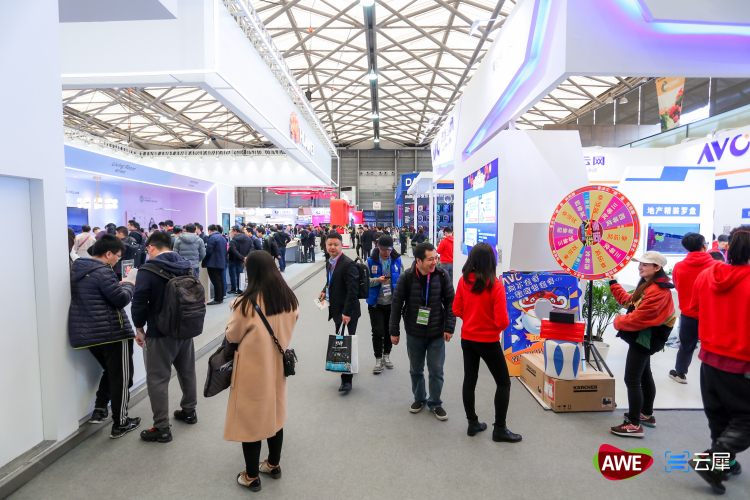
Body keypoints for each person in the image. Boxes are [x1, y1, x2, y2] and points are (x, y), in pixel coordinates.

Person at [224, 251, 299, 491]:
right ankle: (273, 464)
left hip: (252, 370)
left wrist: (233, 310)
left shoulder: (246, 303)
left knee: (251, 421)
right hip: (278, 366)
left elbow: (232, 335)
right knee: (275, 415)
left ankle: (251, 476)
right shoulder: (289, 298)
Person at [688, 227, 750, 494]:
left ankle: (726, 462)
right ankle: (713, 462)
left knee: (720, 416)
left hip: (709, 359)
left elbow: (693, 310)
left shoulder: (707, 275)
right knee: (746, 419)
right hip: (742, 362)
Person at [68, 235, 141, 438]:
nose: (117, 260)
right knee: (123, 379)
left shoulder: (79, 269)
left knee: (111, 372)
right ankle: (121, 423)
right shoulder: (103, 272)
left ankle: (100, 409)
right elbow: (120, 299)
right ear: (108, 253)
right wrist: (129, 284)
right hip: (113, 333)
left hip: (88, 333)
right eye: (117, 255)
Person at [131, 231, 198, 443]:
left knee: (158, 378)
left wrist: (139, 328)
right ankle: (189, 411)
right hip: (186, 327)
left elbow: (139, 301)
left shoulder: (148, 269)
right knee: (187, 371)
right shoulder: (186, 265)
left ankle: (161, 427)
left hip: (160, 331)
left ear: (151, 247)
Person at [453, 243, 521, 443]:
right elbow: (502, 322)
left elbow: (457, 309)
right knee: (503, 383)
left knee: (469, 381)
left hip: (467, 339)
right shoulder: (495, 285)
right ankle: (499, 428)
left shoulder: (464, 281)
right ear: (491, 260)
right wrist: (489, 325)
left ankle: (472, 422)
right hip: (489, 341)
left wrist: (471, 319)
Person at [608, 251, 675, 438]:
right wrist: (613, 283)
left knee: (632, 379)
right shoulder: (650, 285)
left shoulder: (658, 290)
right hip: (644, 336)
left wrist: (617, 321)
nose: (640, 267)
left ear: (657, 267)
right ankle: (646, 414)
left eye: (645, 264)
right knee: (644, 375)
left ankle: (634, 425)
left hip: (645, 338)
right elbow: (628, 301)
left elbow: (639, 318)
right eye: (640, 264)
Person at [389, 242, 456, 421]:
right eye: (430, 259)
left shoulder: (442, 275)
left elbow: (451, 301)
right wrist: (394, 331)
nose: (435, 262)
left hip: (436, 332)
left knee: (436, 370)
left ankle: (435, 402)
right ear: (418, 260)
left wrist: (449, 327)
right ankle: (419, 398)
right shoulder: (406, 277)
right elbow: (396, 305)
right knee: (416, 369)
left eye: (436, 258)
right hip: (414, 332)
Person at [669, 233, 717, 384]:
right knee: (712, 347)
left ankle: (680, 373)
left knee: (686, 345)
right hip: (711, 314)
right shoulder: (716, 266)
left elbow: (677, 286)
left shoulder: (679, 266)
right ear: (704, 246)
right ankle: (714, 379)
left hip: (688, 313)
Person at [319, 231, 361, 392]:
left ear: (341, 245)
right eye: (330, 244)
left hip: (347, 311)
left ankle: (346, 380)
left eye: (336, 244)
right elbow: (330, 280)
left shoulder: (348, 264)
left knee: (345, 343)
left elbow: (353, 290)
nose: (332, 247)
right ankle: (349, 369)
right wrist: (324, 290)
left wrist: (347, 313)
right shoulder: (330, 261)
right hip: (337, 308)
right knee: (343, 340)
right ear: (325, 245)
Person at [367, 235, 402, 374]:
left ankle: (386, 355)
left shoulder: (397, 260)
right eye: (383, 249)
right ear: (378, 247)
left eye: (389, 249)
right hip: (376, 303)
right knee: (377, 331)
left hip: (392, 303)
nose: (387, 252)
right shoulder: (370, 261)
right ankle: (378, 358)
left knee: (389, 331)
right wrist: (377, 281)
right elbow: (364, 282)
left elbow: (402, 280)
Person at [203, 224, 228, 305]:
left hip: (213, 262)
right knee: (221, 280)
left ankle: (217, 299)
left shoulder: (212, 238)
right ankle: (220, 297)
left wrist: (203, 254)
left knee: (215, 281)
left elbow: (209, 251)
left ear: (209, 231)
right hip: (221, 261)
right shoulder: (222, 237)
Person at [228, 225, 253, 294]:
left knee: (234, 274)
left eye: (231, 232)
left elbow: (234, 251)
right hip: (245, 259)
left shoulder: (233, 240)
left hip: (235, 259)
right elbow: (251, 247)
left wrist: (242, 257)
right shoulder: (248, 238)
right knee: (242, 274)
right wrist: (246, 256)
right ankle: (241, 289)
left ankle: (235, 289)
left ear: (235, 231)